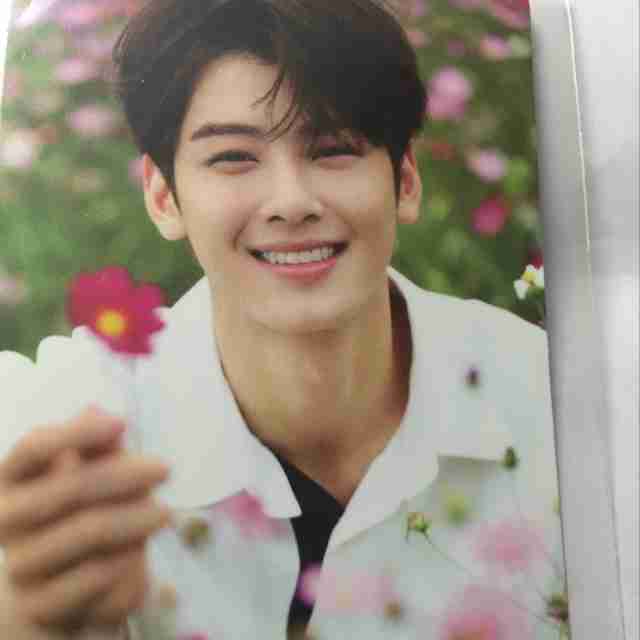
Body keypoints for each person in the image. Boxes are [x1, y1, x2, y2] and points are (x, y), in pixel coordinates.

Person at [0, 1, 567, 639]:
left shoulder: (554, 405)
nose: (291, 202)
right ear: (162, 196)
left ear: (405, 180)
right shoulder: (58, 424)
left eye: (333, 149)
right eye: (232, 157)